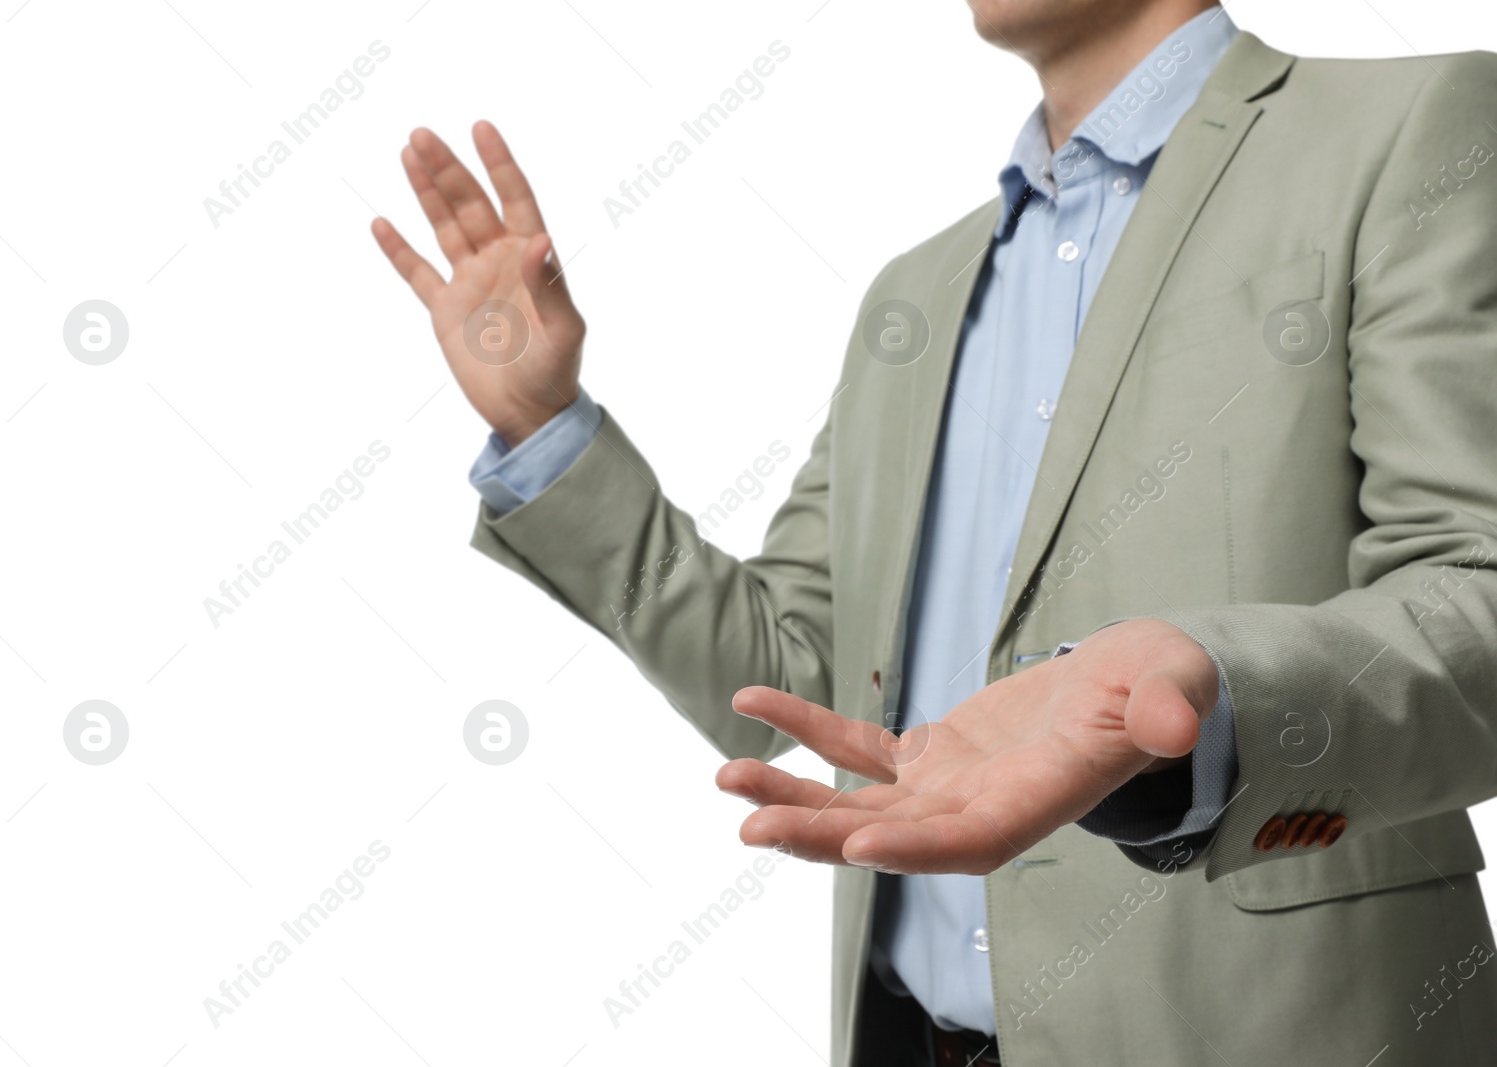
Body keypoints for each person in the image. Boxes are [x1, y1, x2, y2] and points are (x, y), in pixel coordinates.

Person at [370, 2, 1497, 1062]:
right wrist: (544, 425)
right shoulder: (914, 293)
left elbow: (1476, 591)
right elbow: (777, 674)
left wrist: (1208, 698)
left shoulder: (1407, 132)